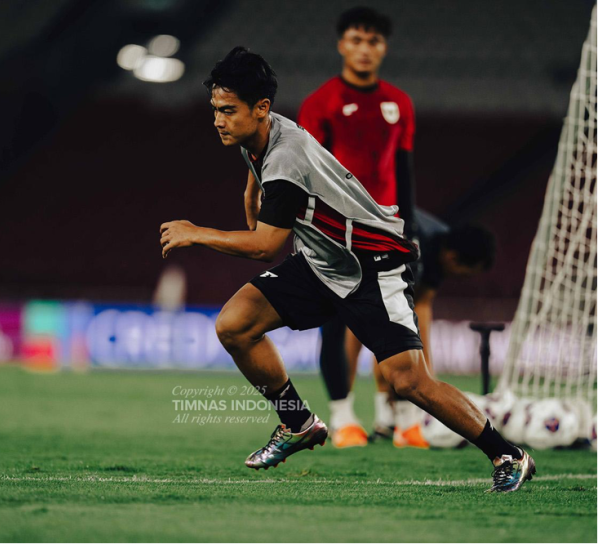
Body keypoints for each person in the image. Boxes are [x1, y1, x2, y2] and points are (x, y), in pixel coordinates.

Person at [160, 46, 535, 492]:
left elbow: (264, 247)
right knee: (235, 325)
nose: (218, 120)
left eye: (228, 111)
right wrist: (250, 191)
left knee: (409, 381)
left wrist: (196, 232)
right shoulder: (260, 135)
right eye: (215, 110)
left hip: (371, 266)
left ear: (261, 108)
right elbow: (260, 184)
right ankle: (298, 423)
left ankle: (508, 454)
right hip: (323, 261)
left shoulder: (286, 158)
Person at [297, 6, 419, 448]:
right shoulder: (321, 102)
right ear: (341, 45)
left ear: (384, 48)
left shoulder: (400, 103)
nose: (364, 49)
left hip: (385, 229)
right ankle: (343, 417)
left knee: (395, 319)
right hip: (335, 229)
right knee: (335, 320)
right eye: (356, 40)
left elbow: (403, 170)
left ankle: (400, 418)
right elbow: (307, 170)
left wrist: (409, 228)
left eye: (373, 41)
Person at [367, 212, 497, 445]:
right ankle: (372, 419)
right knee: (382, 337)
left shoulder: (438, 256)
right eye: (466, 273)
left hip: (386, 280)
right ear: (453, 258)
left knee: (401, 348)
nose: (462, 279)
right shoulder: (415, 246)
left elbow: (421, 307)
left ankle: (394, 422)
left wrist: (426, 372)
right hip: (360, 265)